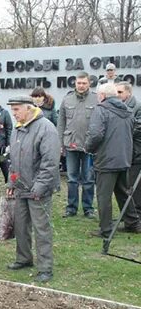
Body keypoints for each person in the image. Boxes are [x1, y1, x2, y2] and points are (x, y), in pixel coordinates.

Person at [6, 95, 60, 283]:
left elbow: (50, 163)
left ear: (29, 108)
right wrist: (11, 183)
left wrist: (39, 187)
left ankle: (45, 268)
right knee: (21, 226)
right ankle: (24, 258)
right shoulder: (17, 129)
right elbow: (13, 159)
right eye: (12, 110)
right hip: (21, 187)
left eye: (17, 109)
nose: (14, 113)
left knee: (41, 228)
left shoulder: (46, 128)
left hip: (39, 190)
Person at [85, 83, 141, 237]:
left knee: (104, 196)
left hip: (106, 160)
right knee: (123, 192)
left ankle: (106, 230)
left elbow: (95, 134)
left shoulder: (101, 109)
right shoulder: (128, 111)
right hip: (124, 158)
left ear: (102, 95)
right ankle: (133, 223)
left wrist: (88, 148)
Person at [57, 71, 98, 218]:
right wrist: (60, 143)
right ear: (75, 83)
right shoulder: (67, 99)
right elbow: (61, 122)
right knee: (72, 178)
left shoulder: (96, 99)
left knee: (88, 179)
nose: (81, 86)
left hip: (89, 146)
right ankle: (71, 208)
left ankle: (88, 209)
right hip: (71, 145)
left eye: (84, 83)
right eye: (79, 83)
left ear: (89, 83)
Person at [116, 81, 141, 216]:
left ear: (129, 93)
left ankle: (137, 216)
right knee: (125, 187)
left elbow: (138, 128)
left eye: (120, 92)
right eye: (116, 92)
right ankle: (128, 216)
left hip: (135, 153)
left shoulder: (137, 107)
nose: (117, 95)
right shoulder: (119, 107)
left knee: (135, 188)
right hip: (124, 153)